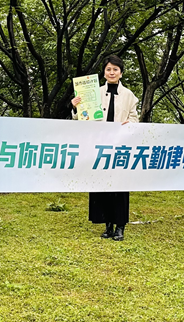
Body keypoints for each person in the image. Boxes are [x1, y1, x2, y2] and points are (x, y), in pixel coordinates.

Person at [72, 54, 139, 241]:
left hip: (119, 146)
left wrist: (129, 123)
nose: (111, 72)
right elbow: (80, 118)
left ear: (121, 73)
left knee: (120, 187)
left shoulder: (129, 96)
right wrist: (75, 106)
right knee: (101, 186)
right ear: (104, 72)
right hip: (99, 145)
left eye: (115, 69)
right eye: (108, 69)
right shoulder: (93, 92)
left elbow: (135, 118)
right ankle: (107, 225)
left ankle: (120, 227)